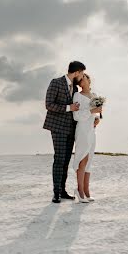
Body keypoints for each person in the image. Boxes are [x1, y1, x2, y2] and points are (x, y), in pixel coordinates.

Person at [43, 61, 86, 203]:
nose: (82, 76)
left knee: (66, 160)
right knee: (59, 159)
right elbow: (49, 105)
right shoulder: (56, 83)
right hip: (57, 127)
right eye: (82, 73)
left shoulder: (75, 88)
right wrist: (69, 107)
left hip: (71, 129)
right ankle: (56, 193)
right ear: (77, 72)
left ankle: (62, 191)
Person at [72, 73, 102, 202]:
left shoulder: (95, 96)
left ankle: (87, 190)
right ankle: (80, 191)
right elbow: (76, 116)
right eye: (78, 79)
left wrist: (96, 120)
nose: (80, 79)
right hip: (82, 130)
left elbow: (97, 114)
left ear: (88, 79)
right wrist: (91, 112)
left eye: (82, 77)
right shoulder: (77, 95)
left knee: (89, 160)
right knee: (82, 159)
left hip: (91, 130)